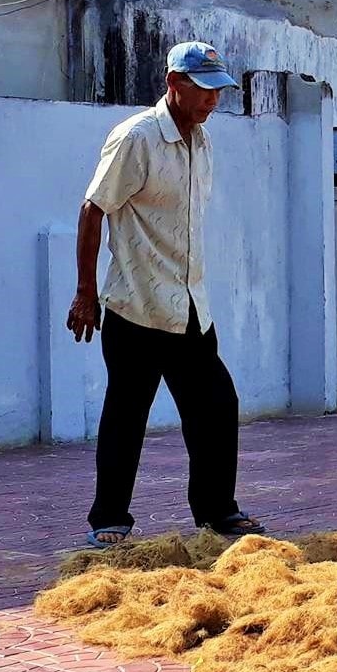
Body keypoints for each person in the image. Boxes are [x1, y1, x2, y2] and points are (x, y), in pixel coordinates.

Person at [66, 41, 267, 548]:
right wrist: (85, 292)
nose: (211, 102)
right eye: (202, 90)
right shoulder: (136, 139)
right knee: (126, 416)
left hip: (191, 309)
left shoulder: (202, 143)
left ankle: (218, 513)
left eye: (217, 92)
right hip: (137, 306)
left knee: (217, 407)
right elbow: (94, 209)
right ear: (174, 83)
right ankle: (109, 520)